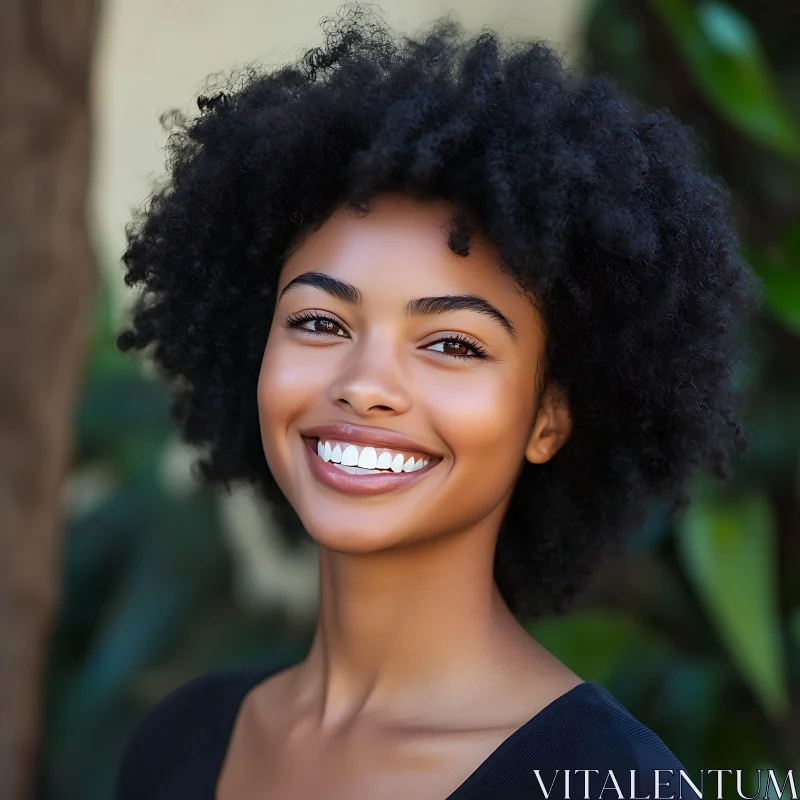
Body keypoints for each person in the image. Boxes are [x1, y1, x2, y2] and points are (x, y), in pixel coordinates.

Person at [113, 4, 759, 798]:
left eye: (453, 343)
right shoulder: (180, 744)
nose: (363, 384)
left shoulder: (608, 783)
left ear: (549, 417)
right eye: (320, 322)